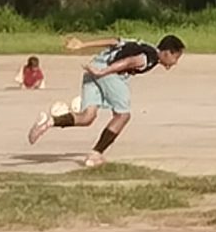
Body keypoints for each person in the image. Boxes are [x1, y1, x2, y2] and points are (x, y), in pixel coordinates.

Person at [26, 32, 185, 164]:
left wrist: (83, 45)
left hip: (95, 64)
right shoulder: (149, 58)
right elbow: (128, 61)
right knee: (123, 115)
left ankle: (48, 121)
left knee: (87, 117)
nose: (175, 62)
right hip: (108, 73)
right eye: (176, 57)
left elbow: (114, 41)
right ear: (167, 52)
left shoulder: (143, 44)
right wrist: (103, 72)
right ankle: (96, 154)